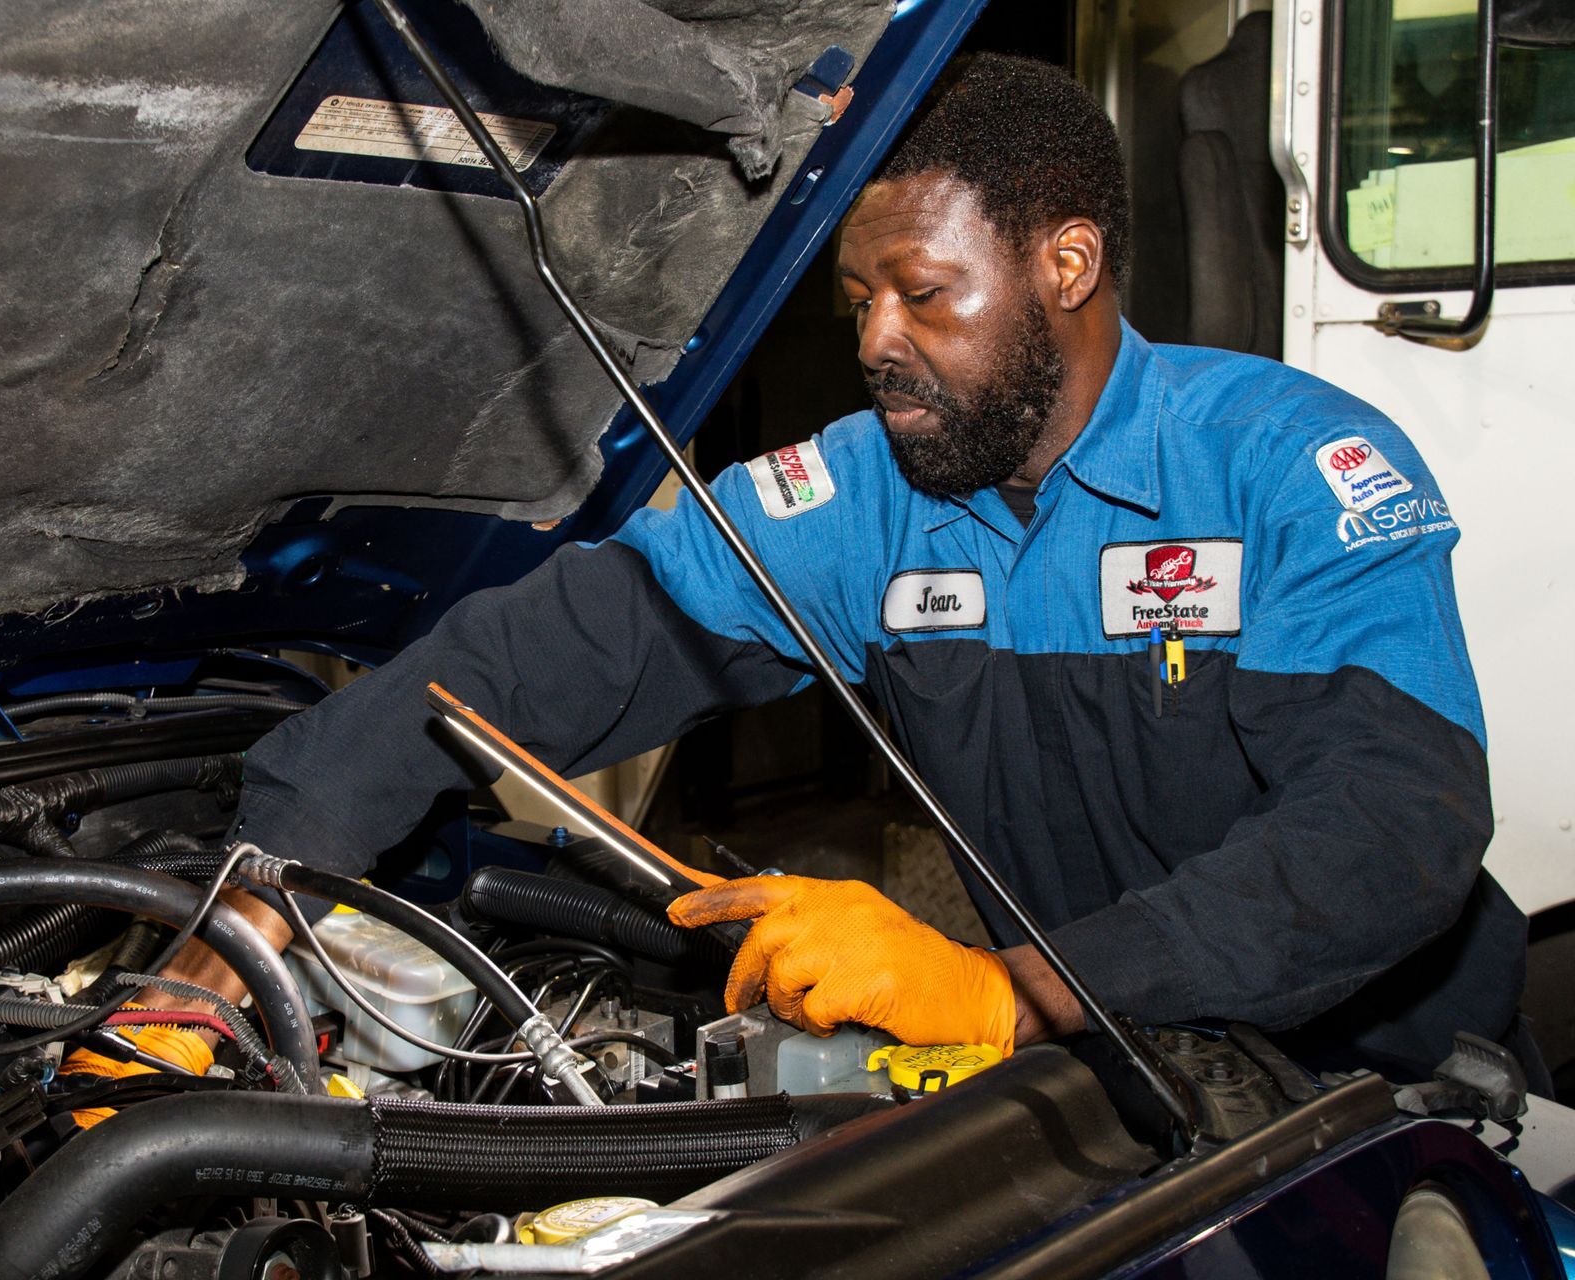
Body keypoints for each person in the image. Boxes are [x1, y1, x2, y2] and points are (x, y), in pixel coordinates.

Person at [232, 54, 1529, 1083]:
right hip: (1110, 1076)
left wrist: (1016, 987)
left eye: (921, 292)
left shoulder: (1287, 465)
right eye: (858, 300)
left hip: (1382, 1087)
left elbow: (1390, 826)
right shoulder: (865, 496)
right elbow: (563, 648)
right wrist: (258, 892)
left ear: (1064, 264)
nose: (877, 341)